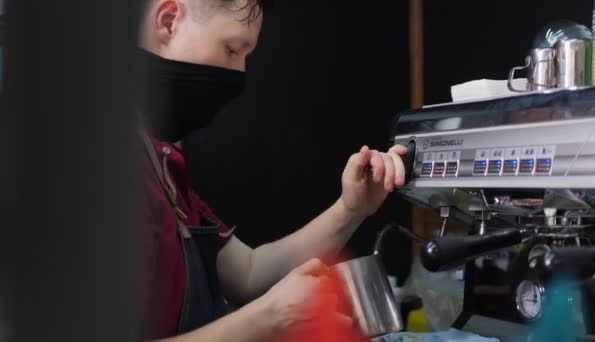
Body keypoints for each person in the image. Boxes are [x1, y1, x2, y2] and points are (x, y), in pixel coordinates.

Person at [135, 0, 408, 340]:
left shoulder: (165, 167)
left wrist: (352, 209)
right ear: (169, 20)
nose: (239, 74)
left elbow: (249, 274)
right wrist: (270, 318)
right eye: (232, 49)